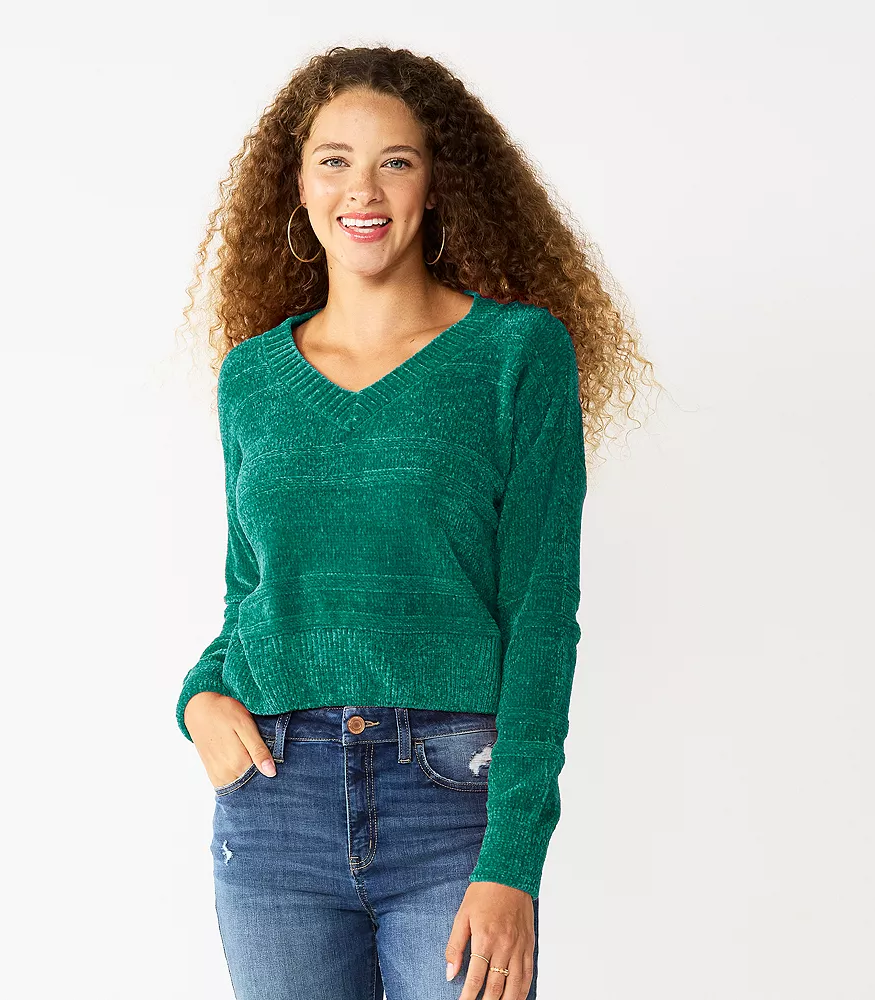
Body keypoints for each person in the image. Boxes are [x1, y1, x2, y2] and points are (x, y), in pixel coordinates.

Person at [175, 44, 656, 1000]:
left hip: (451, 803)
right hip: (273, 807)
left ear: (437, 185)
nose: (364, 188)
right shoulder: (253, 378)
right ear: (299, 186)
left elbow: (541, 619)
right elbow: (251, 592)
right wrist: (197, 699)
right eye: (334, 160)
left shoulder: (516, 355)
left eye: (395, 160)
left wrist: (512, 859)